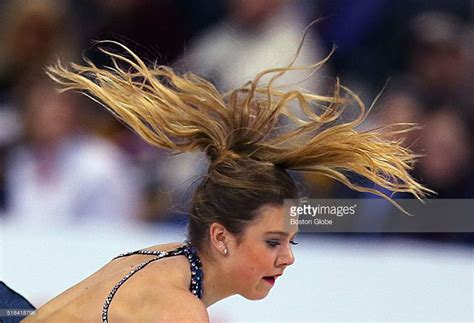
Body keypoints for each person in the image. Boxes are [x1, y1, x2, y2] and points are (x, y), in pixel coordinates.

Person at [21, 39, 429, 322]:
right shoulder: (179, 311)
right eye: (273, 241)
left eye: (291, 241)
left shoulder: (166, 259)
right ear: (220, 238)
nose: (288, 258)